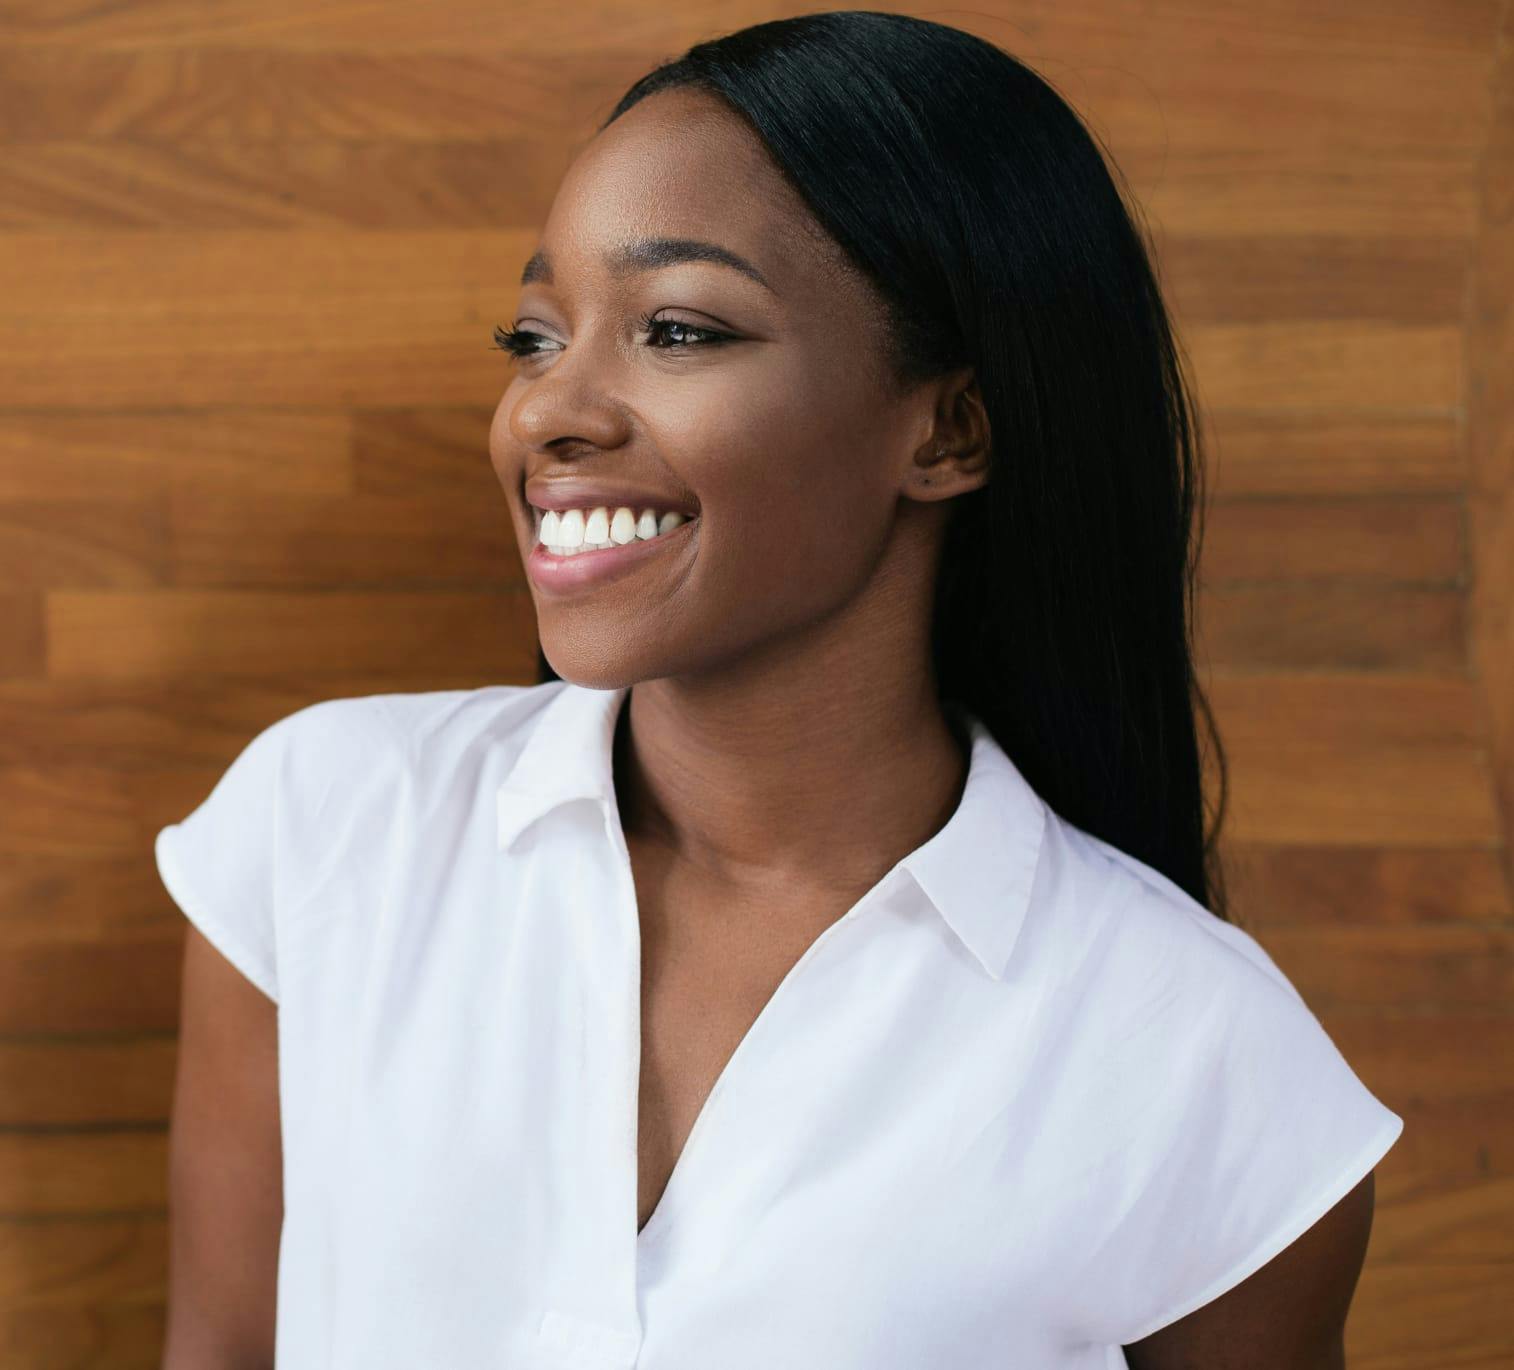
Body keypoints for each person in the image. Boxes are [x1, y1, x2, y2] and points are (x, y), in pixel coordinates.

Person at [157, 12, 1402, 1368]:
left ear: (947, 428)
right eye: (533, 334)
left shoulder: (1200, 1060)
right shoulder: (327, 826)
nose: (547, 410)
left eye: (676, 329)